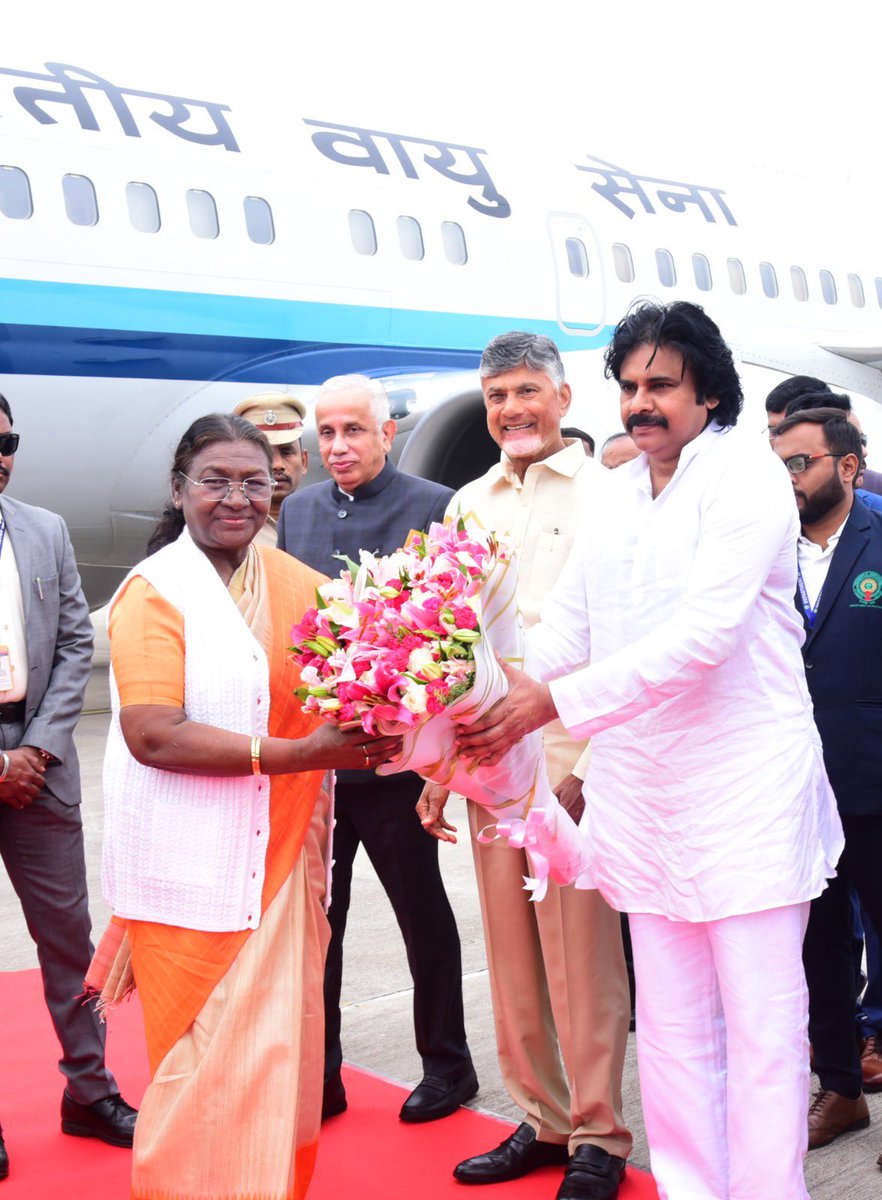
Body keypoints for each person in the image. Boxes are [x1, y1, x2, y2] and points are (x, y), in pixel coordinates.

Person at [456, 302, 844, 1200]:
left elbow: (704, 635)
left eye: (660, 385)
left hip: (744, 790)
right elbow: (571, 631)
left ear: (708, 391)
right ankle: (694, 1189)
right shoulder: (622, 492)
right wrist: (483, 700)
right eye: (629, 386)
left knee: (760, 1028)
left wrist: (550, 704)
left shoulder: (745, 477)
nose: (640, 402)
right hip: (646, 796)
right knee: (670, 1030)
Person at [99, 413, 400, 1200]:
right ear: (179, 491)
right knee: (201, 1071)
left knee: (277, 1066)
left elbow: (366, 663)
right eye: (215, 480)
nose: (236, 497)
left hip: (282, 862)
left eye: (254, 482)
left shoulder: (297, 585)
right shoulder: (154, 591)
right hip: (186, 875)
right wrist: (298, 756)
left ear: (278, 489)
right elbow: (153, 735)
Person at [418, 333, 632, 1200]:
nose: (511, 409)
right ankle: (541, 1119)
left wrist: (596, 765)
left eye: (526, 392)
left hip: (572, 760)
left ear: (564, 397)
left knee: (582, 961)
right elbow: (448, 643)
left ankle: (599, 1135)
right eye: (497, 395)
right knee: (510, 952)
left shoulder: (615, 497)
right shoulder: (466, 502)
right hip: (487, 762)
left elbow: (631, 642)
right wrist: (440, 766)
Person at [276, 374, 478, 1123]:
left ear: (386, 432)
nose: (337, 447)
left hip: (397, 762)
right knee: (318, 924)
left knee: (421, 916)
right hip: (323, 761)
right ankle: (323, 1071)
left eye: (353, 431)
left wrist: (443, 761)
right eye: (325, 434)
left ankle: (448, 1067)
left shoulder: (433, 506)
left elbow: (457, 639)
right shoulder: (295, 511)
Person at [0, 392, 137, 1179]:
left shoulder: (44, 530)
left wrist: (38, 751)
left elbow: (77, 640)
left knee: (69, 944)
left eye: (7, 438)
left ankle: (89, 1092)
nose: (1, 452)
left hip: (41, 767)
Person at [771, 407, 882, 1159]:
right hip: (790, 787)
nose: (789, 480)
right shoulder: (763, 549)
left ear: (847, 467)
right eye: (779, 465)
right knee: (818, 950)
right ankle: (840, 1089)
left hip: (874, 779)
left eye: (801, 464)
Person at [232, 392, 308, 546]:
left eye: (287, 452)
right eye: (266, 453)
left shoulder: (324, 521)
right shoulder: (229, 528)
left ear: (304, 461)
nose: (277, 465)